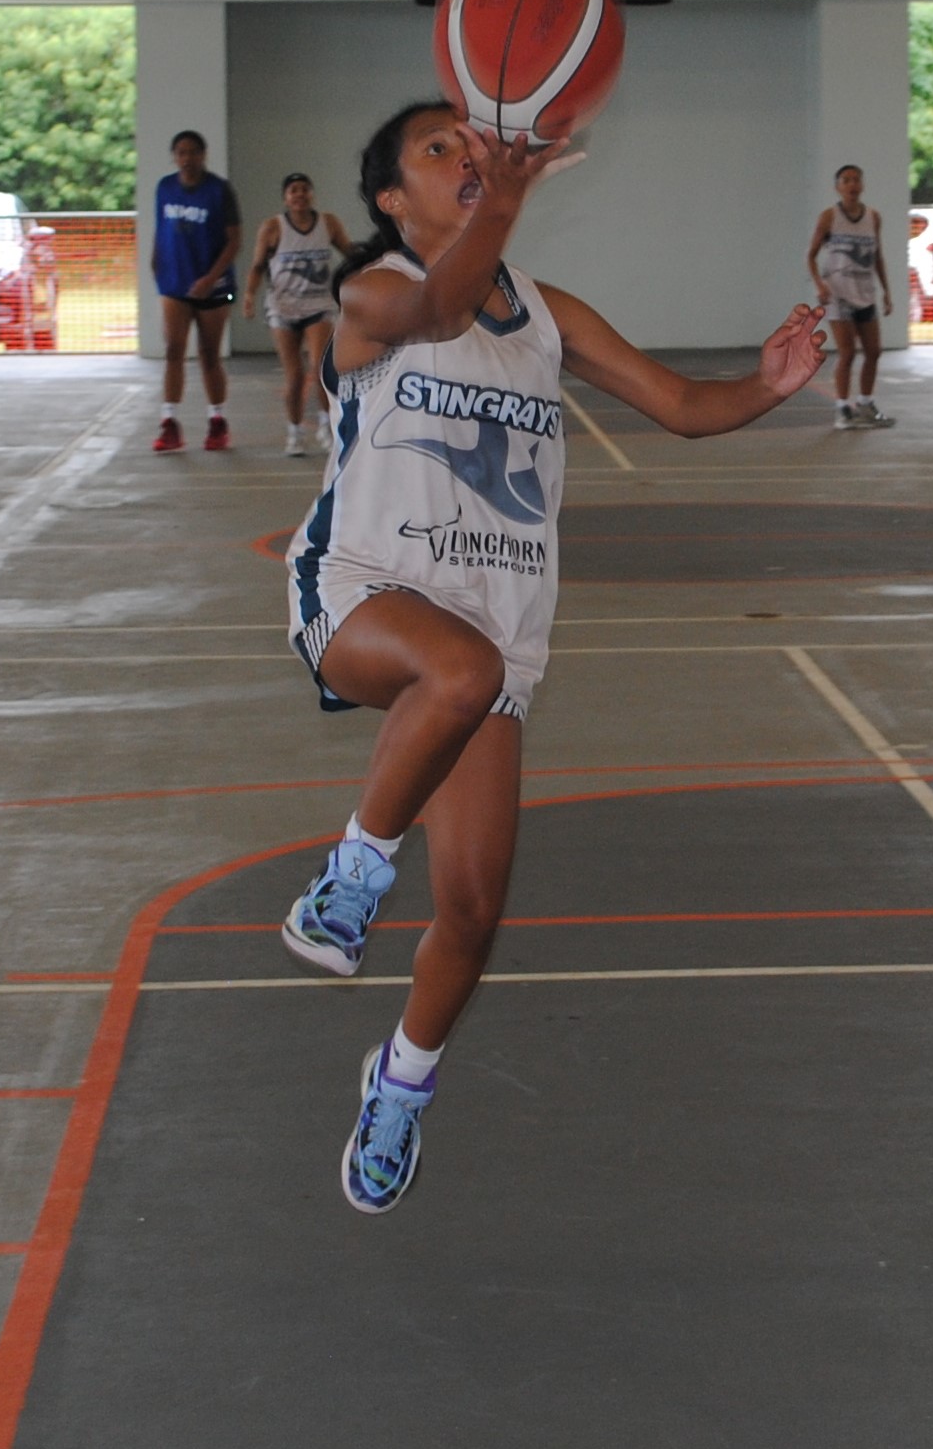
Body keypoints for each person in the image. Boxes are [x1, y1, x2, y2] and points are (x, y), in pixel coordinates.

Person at [280, 104, 824, 1212]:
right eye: (442, 152)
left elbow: (677, 405)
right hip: (363, 593)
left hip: (498, 626)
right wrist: (510, 199)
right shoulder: (373, 292)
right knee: (456, 671)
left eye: (474, 149)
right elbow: (435, 305)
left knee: (476, 909)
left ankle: (400, 1085)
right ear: (391, 197)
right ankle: (350, 876)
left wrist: (767, 387)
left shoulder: (544, 315)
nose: (468, 161)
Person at [151, 129, 244, 453]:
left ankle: (217, 420)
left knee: (208, 354)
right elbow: (160, 231)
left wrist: (210, 278)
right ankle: (169, 421)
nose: (187, 158)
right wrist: (156, 264)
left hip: (214, 286)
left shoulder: (219, 191)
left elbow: (234, 241)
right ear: (174, 156)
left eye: (193, 152)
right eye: (181, 152)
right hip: (175, 283)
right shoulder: (165, 187)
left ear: (203, 155)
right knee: (173, 350)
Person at [249, 172, 349, 457]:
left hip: (318, 306)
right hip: (283, 307)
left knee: (320, 368)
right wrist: (247, 296)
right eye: (293, 190)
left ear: (312, 194)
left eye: (305, 189)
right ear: (285, 198)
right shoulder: (273, 227)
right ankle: (294, 432)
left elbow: (351, 253)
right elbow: (257, 265)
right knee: (294, 376)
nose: (300, 194)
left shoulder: (328, 224)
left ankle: (325, 426)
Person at [808, 162, 893, 428]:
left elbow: (877, 256)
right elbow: (810, 256)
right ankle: (843, 409)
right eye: (846, 180)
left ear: (863, 185)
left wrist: (887, 291)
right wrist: (820, 285)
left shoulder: (873, 218)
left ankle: (866, 404)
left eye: (856, 180)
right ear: (838, 187)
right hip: (839, 295)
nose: (852, 185)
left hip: (865, 293)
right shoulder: (829, 217)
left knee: (874, 351)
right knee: (847, 352)